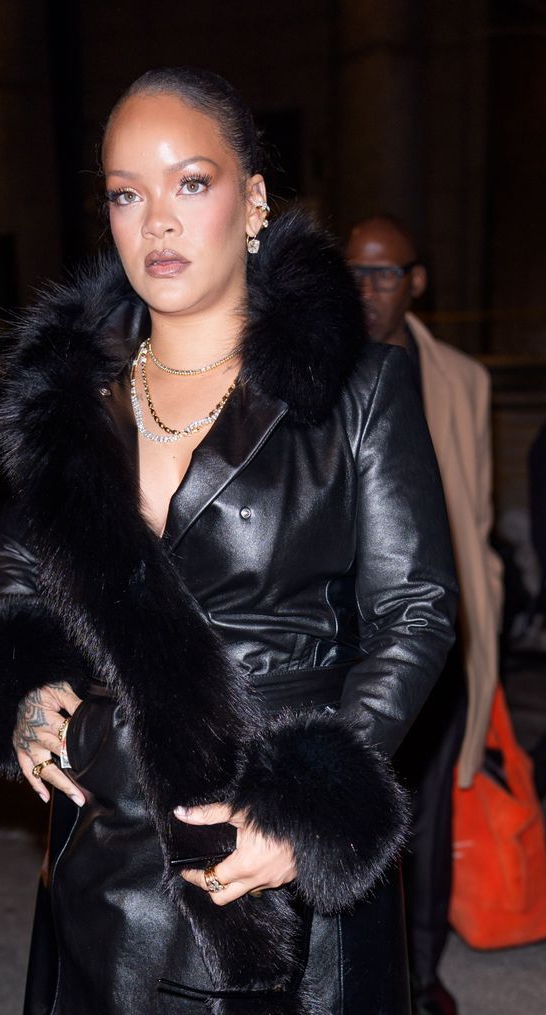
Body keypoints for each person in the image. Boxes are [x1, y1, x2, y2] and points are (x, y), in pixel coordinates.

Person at [0, 70, 457, 1015]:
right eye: (126, 194)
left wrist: (312, 813)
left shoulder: (357, 388)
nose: (158, 222)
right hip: (107, 857)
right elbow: (19, 577)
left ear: (252, 199)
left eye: (190, 182)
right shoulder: (68, 407)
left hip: (278, 849)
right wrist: (23, 690)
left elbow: (414, 610)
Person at [346, 216, 503, 1015]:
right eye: (353, 272)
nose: (365, 289)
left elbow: (476, 521)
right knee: (351, 803)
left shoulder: (463, 381)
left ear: (416, 281)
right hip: (348, 637)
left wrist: (485, 623)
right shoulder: (319, 369)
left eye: (383, 273)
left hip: (440, 630)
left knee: (430, 815)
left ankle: (420, 970)